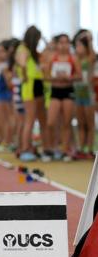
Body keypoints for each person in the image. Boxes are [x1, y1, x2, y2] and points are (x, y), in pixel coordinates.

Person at [44, 34, 81, 162]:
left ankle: (65, 149)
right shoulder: (52, 58)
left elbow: (79, 75)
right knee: (51, 122)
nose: (63, 45)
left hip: (67, 91)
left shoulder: (73, 58)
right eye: (61, 42)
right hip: (55, 91)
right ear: (57, 44)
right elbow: (46, 76)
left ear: (69, 44)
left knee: (66, 122)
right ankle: (52, 148)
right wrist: (55, 78)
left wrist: (69, 78)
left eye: (66, 43)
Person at [15, 26, 49, 162]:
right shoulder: (23, 50)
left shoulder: (32, 51)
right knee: (30, 119)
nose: (39, 42)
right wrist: (23, 76)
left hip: (38, 83)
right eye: (38, 39)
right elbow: (22, 65)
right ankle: (25, 148)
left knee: (42, 119)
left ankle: (45, 147)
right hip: (29, 86)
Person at [73, 29, 95, 159]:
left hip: (88, 94)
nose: (77, 48)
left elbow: (92, 53)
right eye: (76, 46)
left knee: (90, 124)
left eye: (80, 45)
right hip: (78, 94)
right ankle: (81, 147)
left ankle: (90, 148)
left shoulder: (90, 58)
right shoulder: (75, 59)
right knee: (81, 123)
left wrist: (89, 40)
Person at [0, 42, 14, 152]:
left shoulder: (5, 66)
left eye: (1, 51)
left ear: (7, 52)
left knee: (7, 118)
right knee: (1, 118)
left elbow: (9, 83)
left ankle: (8, 141)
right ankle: (5, 140)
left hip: (5, 94)